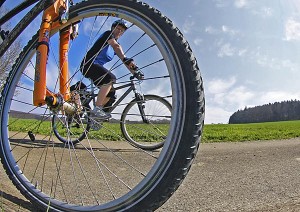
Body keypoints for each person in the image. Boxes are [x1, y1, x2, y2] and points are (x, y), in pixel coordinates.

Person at [80, 19, 143, 119]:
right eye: (117, 28)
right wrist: (126, 59)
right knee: (110, 78)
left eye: (122, 30)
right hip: (88, 65)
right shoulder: (108, 35)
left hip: (96, 67)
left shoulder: (117, 46)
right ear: (113, 28)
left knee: (111, 93)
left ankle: (94, 117)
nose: (119, 31)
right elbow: (116, 46)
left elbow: (124, 59)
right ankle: (97, 109)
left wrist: (135, 72)